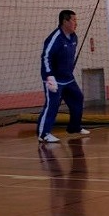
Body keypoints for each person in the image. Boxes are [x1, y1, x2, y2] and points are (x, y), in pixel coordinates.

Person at [38, 9, 90, 143]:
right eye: (74, 20)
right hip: (54, 79)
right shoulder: (55, 38)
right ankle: (43, 134)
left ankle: (74, 127)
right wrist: (49, 76)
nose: (76, 23)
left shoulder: (74, 37)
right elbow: (46, 57)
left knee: (78, 98)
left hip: (68, 78)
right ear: (65, 21)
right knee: (52, 104)